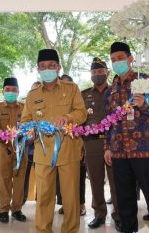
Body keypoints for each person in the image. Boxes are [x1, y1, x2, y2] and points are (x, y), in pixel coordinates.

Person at [104, 42, 149, 233]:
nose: (117, 62)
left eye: (121, 58)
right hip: (119, 152)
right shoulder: (111, 88)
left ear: (130, 59)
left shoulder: (145, 81)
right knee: (124, 198)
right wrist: (107, 146)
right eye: (113, 60)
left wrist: (145, 103)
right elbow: (108, 121)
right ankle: (129, 229)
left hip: (144, 150)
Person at [21, 49, 87, 233]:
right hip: (42, 153)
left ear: (58, 67)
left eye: (51, 66)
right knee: (43, 198)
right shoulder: (32, 94)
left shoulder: (71, 88)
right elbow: (26, 121)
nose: (47, 69)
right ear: (38, 69)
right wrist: (30, 131)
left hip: (68, 151)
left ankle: (71, 230)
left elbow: (82, 113)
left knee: (70, 199)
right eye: (43, 66)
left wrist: (67, 117)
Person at [82, 58, 121, 231]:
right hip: (91, 144)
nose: (97, 75)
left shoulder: (116, 92)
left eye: (100, 71)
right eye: (94, 72)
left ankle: (118, 215)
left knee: (116, 181)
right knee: (96, 180)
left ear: (107, 72)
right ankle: (99, 214)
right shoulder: (84, 95)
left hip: (113, 142)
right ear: (91, 74)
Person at [0, 77, 28, 223]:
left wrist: (24, 138)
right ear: (3, 91)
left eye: (13, 90)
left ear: (18, 91)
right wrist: (7, 141)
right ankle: (4, 210)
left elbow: (29, 127)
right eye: (8, 90)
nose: (11, 92)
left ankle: (17, 209)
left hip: (21, 148)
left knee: (19, 180)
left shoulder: (25, 108)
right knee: (3, 179)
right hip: (3, 148)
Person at [57, 74, 87, 217]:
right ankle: (64, 204)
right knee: (61, 181)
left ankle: (79, 204)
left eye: (68, 83)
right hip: (56, 149)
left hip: (74, 146)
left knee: (77, 179)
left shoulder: (76, 99)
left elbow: (82, 119)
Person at [23, 81, 40, 204]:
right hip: (28, 150)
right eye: (33, 90)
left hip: (43, 150)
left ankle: (41, 200)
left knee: (43, 177)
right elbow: (24, 124)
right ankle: (21, 201)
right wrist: (30, 136)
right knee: (24, 176)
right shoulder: (27, 107)